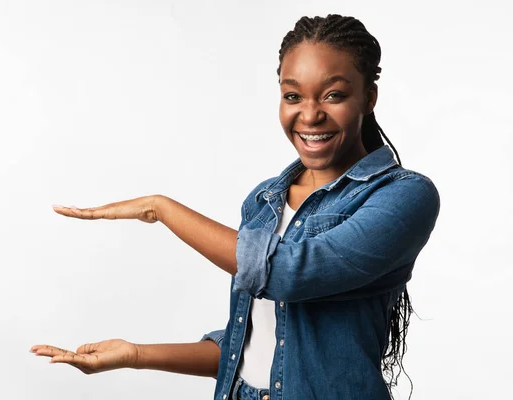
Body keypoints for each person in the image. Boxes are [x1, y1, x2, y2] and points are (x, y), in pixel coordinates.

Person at [31, 14, 440, 400]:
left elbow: (286, 274)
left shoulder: (403, 196)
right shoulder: (265, 199)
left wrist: (161, 208)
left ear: (368, 97)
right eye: (293, 95)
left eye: (334, 95)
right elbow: (248, 346)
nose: (310, 115)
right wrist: (135, 355)